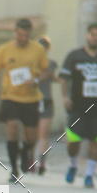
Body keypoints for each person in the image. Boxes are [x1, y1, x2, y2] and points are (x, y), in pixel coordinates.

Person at [0, 18, 49, 183]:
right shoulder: (4, 49)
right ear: (15, 32)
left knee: (31, 137)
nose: (23, 38)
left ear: (30, 34)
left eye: (26, 35)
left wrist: (36, 81)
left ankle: (26, 152)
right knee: (12, 127)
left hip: (31, 97)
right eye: (20, 35)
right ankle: (14, 168)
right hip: (10, 96)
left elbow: (45, 71)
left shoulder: (38, 49)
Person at [61, 22, 97, 188]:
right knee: (74, 142)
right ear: (87, 36)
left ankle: (89, 175)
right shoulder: (75, 56)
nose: (95, 38)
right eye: (92, 34)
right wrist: (65, 97)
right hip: (78, 106)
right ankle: (73, 165)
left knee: (96, 142)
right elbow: (64, 78)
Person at [34, 36, 59, 174]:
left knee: (43, 134)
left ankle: (41, 162)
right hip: (31, 100)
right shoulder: (30, 63)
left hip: (44, 100)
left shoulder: (50, 63)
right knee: (32, 133)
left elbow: (48, 75)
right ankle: (32, 160)